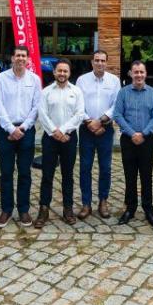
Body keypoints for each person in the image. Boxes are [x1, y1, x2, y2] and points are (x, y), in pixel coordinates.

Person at [0, 46, 43, 227]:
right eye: (17, 55)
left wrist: (22, 128)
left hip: (26, 131)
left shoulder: (35, 79)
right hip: (6, 131)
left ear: (28, 59)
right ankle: (6, 210)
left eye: (23, 56)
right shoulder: (1, 78)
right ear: (12, 58)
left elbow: (36, 107)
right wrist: (10, 128)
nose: (20, 58)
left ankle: (23, 210)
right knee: (6, 172)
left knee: (24, 173)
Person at [35, 58, 84, 228]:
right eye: (59, 71)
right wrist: (55, 132)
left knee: (68, 175)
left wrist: (63, 131)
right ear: (54, 72)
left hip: (69, 139)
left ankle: (68, 209)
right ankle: (44, 209)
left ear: (69, 73)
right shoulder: (46, 91)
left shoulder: (76, 91)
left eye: (65, 71)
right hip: (50, 138)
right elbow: (42, 114)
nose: (62, 74)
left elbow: (79, 114)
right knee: (47, 175)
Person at [113, 60, 153, 226]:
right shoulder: (123, 93)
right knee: (130, 175)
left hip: (147, 140)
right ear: (131, 74)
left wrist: (144, 133)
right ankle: (130, 208)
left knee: (146, 176)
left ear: (145, 74)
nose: (139, 75)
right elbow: (117, 115)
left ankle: (148, 209)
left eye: (141, 72)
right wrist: (133, 134)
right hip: (128, 140)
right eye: (136, 72)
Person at [75, 49, 120, 220]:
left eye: (103, 60)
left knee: (105, 167)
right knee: (85, 167)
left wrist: (100, 121)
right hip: (86, 129)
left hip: (106, 129)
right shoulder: (82, 80)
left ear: (107, 63)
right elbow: (78, 104)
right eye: (97, 60)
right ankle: (86, 203)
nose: (100, 63)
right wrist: (89, 122)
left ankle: (103, 201)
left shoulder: (114, 81)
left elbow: (116, 105)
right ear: (92, 62)